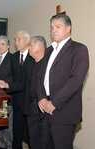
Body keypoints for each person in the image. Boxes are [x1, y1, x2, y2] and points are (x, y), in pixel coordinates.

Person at [38, 13, 89, 149]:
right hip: (44, 109)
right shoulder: (48, 51)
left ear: (68, 29)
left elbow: (76, 80)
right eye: (51, 27)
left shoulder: (79, 49)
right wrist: (42, 98)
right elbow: (40, 77)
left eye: (58, 26)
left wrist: (54, 103)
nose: (53, 30)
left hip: (64, 112)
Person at [0, 31, 34, 149]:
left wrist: (8, 86)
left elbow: (27, 81)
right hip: (17, 100)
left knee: (31, 135)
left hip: (30, 101)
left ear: (26, 41)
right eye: (15, 39)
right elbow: (13, 78)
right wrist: (6, 84)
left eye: (18, 39)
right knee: (16, 133)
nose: (16, 42)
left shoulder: (33, 56)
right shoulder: (14, 57)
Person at [26, 36, 47, 149]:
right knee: (33, 139)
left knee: (43, 141)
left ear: (39, 46)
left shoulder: (48, 64)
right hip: (32, 107)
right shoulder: (33, 64)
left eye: (31, 45)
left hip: (43, 109)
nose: (28, 47)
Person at [0, 36, 13, 149]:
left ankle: (8, 146)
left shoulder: (12, 59)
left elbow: (16, 78)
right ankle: (2, 145)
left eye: (3, 44)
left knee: (7, 127)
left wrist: (6, 83)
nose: (0, 46)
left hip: (7, 98)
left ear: (8, 46)